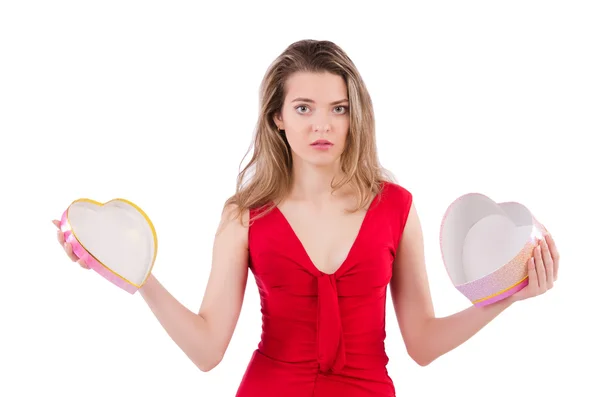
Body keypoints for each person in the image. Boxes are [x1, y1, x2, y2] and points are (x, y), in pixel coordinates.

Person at [52, 39, 560, 396]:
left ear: (354, 115)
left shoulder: (397, 207)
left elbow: (422, 344)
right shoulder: (244, 215)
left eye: (338, 109)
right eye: (303, 108)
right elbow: (208, 349)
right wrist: (140, 279)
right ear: (277, 117)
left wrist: (506, 297)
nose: (323, 124)